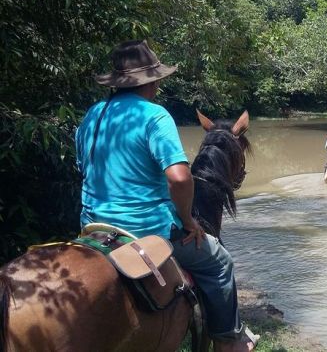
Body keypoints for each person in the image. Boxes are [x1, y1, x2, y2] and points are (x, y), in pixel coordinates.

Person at [74, 40, 258, 352]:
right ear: (154, 81)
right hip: (144, 230)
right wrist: (188, 221)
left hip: (93, 229)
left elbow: (83, 168)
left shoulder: (93, 115)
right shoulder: (154, 116)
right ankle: (230, 342)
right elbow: (179, 177)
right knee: (219, 262)